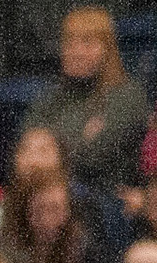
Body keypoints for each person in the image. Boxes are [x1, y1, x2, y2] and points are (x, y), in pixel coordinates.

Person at [28, 6, 148, 199]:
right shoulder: (52, 96)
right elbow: (27, 148)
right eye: (69, 43)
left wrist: (53, 145)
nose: (76, 52)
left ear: (107, 50)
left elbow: (92, 159)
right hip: (46, 196)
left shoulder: (127, 96)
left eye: (88, 43)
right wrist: (81, 136)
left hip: (104, 204)